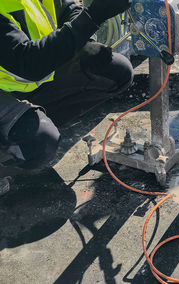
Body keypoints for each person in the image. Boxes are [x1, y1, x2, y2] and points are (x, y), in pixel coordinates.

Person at [0, 0, 134, 196]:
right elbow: (27, 62)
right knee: (40, 140)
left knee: (114, 72)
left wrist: (84, 35)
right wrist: (92, 17)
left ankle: (33, 123)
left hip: (28, 78)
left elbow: (70, 9)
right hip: (18, 78)